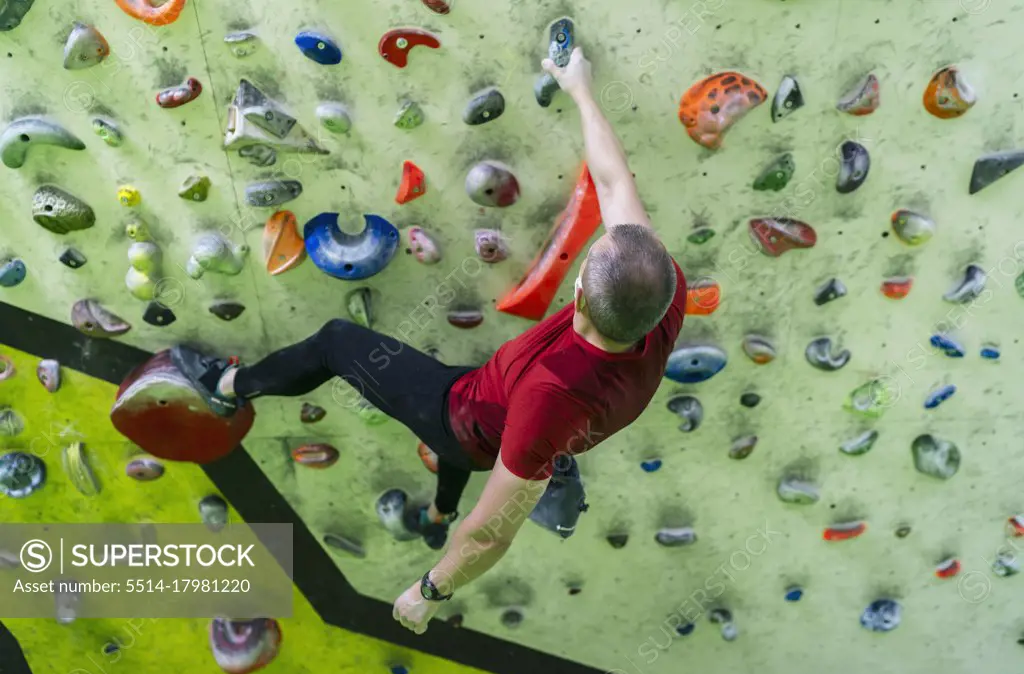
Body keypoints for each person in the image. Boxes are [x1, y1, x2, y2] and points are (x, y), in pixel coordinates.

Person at [170, 46, 686, 635]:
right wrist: (580, 89)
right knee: (469, 428)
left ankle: (227, 387)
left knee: (340, 343)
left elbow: (494, 531)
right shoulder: (657, 290)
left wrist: (429, 589)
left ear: (580, 301)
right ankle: (438, 514)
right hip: (496, 411)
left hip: (465, 416)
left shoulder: (551, 397)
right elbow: (615, 179)